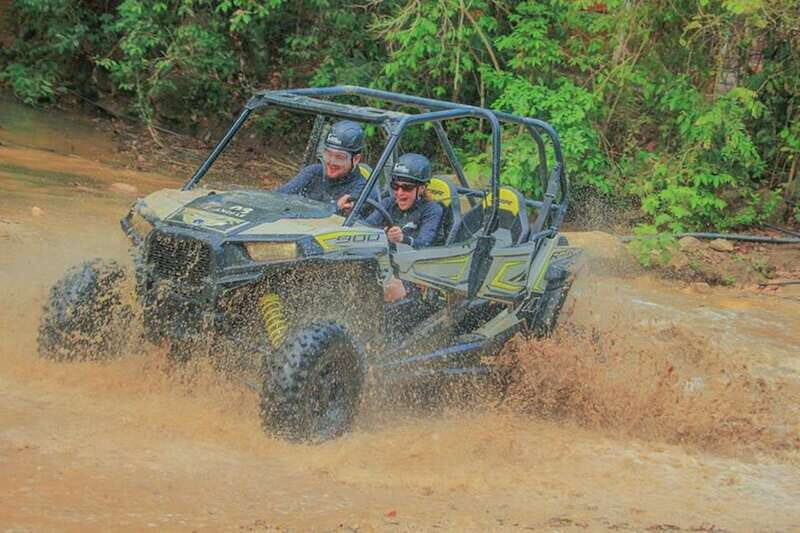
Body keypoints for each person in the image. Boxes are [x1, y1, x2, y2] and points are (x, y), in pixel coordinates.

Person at [364, 153, 444, 302]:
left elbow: (425, 244)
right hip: (386, 265)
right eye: (396, 186)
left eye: (406, 187)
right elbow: (365, 227)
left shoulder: (432, 210)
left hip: (417, 273)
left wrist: (403, 239)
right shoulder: (388, 203)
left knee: (384, 288)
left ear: (421, 188)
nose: (399, 193)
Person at [276, 120, 370, 214]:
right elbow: (278, 196)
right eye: (328, 154)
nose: (331, 162)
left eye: (339, 157)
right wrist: (335, 207)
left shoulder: (363, 190)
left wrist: (336, 209)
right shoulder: (313, 172)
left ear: (356, 159)